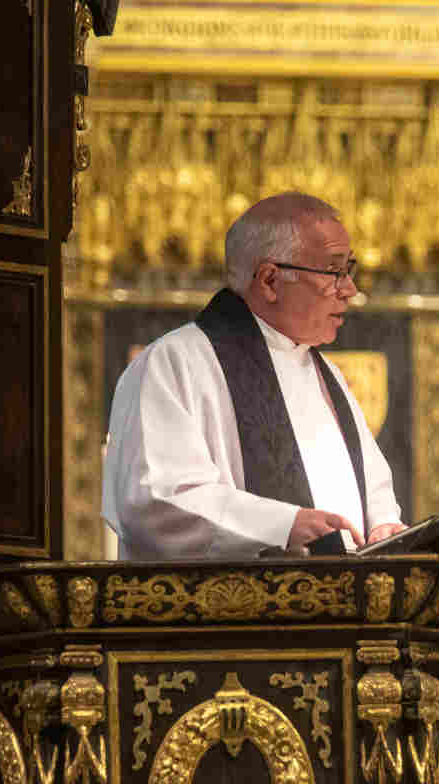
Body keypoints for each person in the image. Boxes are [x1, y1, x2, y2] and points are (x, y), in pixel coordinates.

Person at [102, 192, 405, 559]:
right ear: (270, 280)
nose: (350, 290)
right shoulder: (175, 363)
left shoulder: (329, 377)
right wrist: (283, 525)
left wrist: (383, 525)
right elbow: (157, 500)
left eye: (349, 270)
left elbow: (371, 486)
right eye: (334, 271)